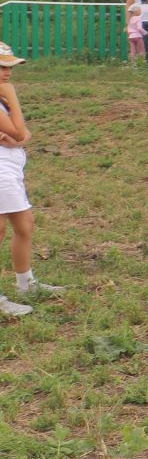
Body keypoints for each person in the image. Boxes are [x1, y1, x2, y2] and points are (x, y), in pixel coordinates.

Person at [0, 43, 48, 317]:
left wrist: (18, 139)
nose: (8, 73)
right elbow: (19, 133)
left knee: (24, 224)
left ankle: (25, 283)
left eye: (9, 67)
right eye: (2, 67)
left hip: (9, 167)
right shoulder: (5, 95)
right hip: (1, 169)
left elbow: (22, 136)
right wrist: (12, 96)